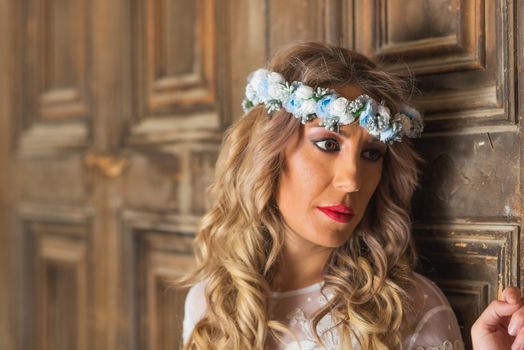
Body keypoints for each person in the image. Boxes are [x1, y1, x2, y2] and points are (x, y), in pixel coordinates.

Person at [172, 41, 524, 350]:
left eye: (372, 154)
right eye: (328, 144)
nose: (353, 181)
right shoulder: (210, 302)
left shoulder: (408, 309)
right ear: (267, 155)